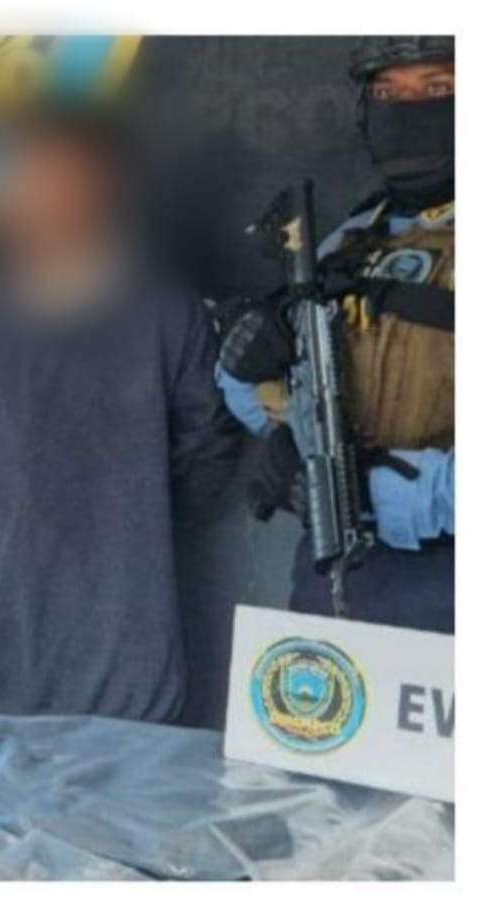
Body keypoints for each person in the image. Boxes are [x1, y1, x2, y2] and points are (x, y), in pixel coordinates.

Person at [0, 107, 240, 720]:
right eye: (33, 178)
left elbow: (208, 453)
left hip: (124, 664)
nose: (49, 197)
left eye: (68, 178)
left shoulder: (163, 308)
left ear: (106, 189)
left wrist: (126, 513)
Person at [216, 37, 454, 633]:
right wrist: (247, 368)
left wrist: (381, 494)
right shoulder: (348, 243)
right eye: (387, 93)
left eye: (438, 89)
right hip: (338, 577)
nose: (409, 112)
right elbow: (270, 402)